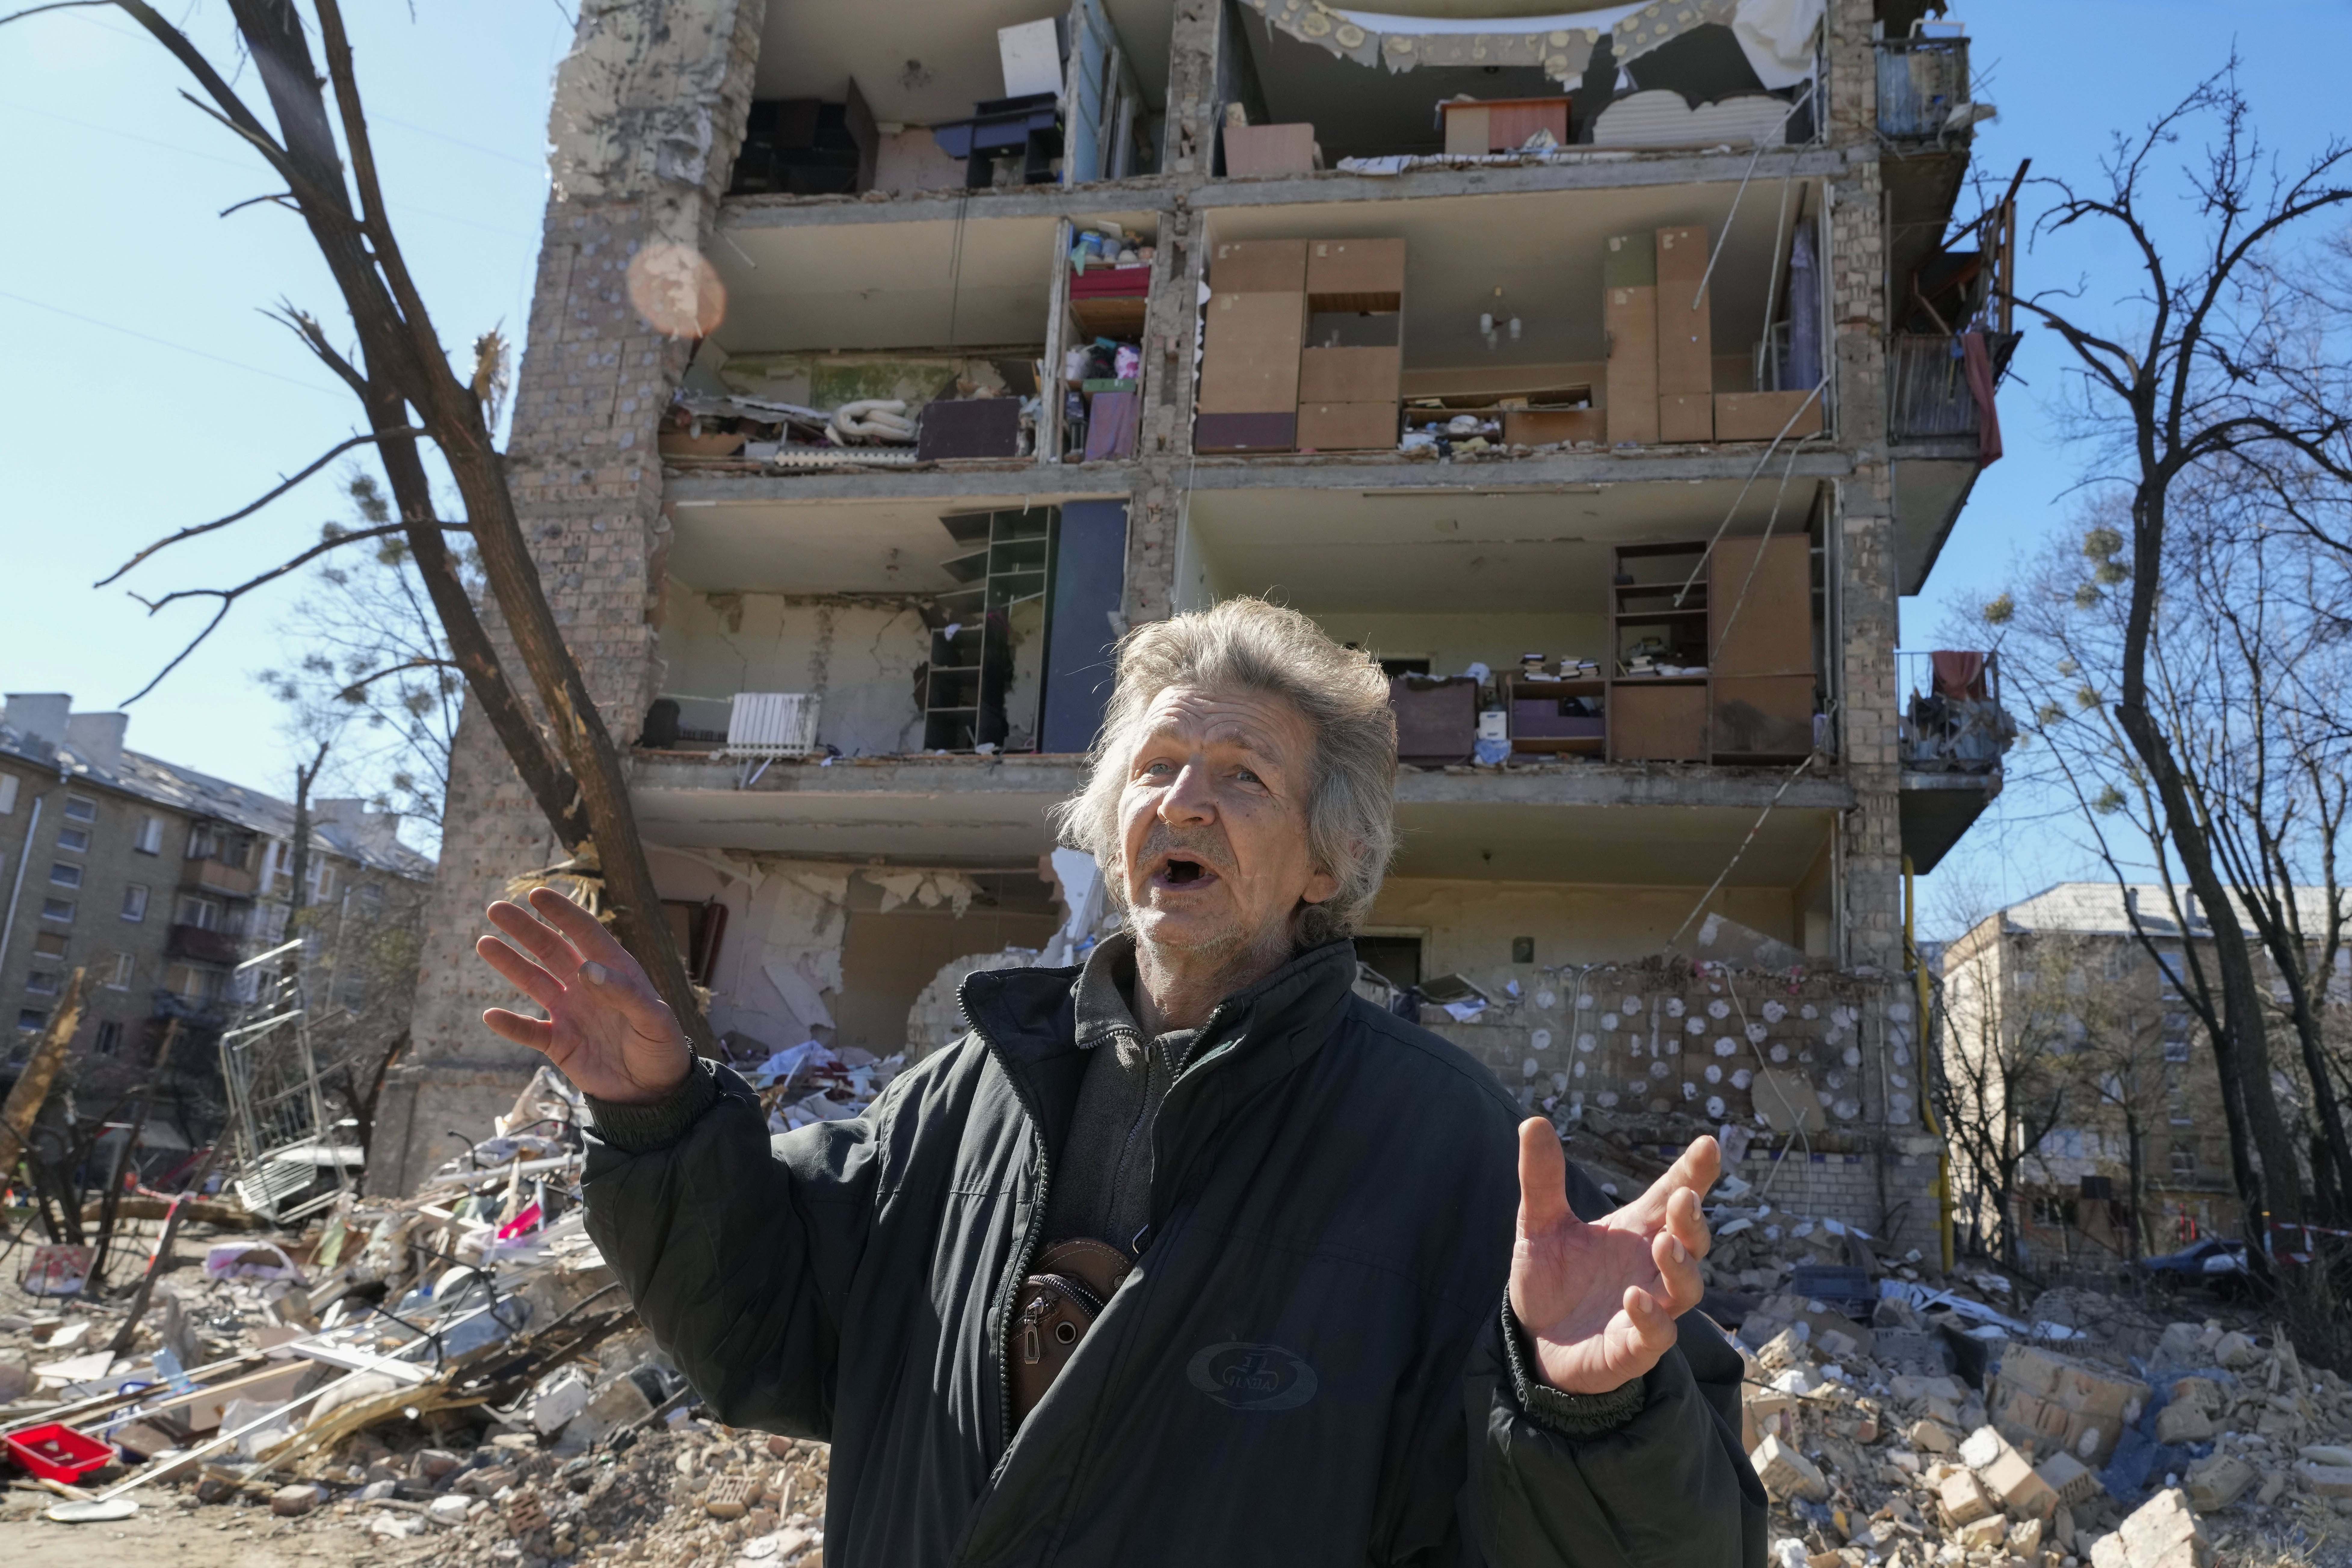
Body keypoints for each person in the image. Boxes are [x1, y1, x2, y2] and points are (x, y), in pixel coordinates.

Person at [474, 598, 1764, 1566]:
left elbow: (1658, 1542)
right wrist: (656, 1117)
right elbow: (767, 1339)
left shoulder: (1445, 1140)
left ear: (1327, 864)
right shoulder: (964, 1092)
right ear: (1109, 822)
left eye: (1242, 777)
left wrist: (1586, 1404)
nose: (1184, 802)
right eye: (1155, 768)